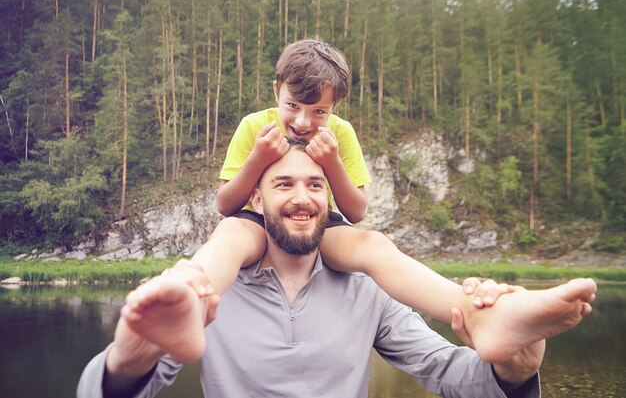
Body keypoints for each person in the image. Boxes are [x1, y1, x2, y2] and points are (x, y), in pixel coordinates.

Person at [77, 141, 597, 398]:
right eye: (284, 184)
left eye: (316, 185)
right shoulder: (215, 285)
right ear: (255, 196)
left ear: (331, 198)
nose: (302, 198)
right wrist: (129, 361)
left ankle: (485, 316)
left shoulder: (369, 290)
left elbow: (451, 373)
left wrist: (517, 369)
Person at [189, 38, 513, 346]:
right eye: (293, 105)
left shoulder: (341, 132)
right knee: (229, 234)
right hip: (256, 217)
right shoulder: (254, 126)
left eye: (319, 111)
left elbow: (356, 212)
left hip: (319, 222)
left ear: (335, 105)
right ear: (277, 91)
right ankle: (188, 299)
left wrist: (331, 162)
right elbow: (226, 204)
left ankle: (471, 311)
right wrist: (258, 158)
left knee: (373, 244)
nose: (303, 121)